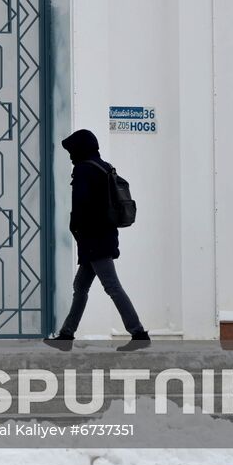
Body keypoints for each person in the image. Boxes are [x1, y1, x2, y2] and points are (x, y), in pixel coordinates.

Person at [48, 129, 150, 351]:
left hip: (94, 240)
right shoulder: (104, 167)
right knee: (80, 286)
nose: (70, 155)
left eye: (72, 150)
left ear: (80, 148)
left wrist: (75, 228)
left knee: (112, 286)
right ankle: (66, 335)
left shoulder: (84, 170)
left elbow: (82, 206)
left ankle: (139, 333)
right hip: (103, 236)